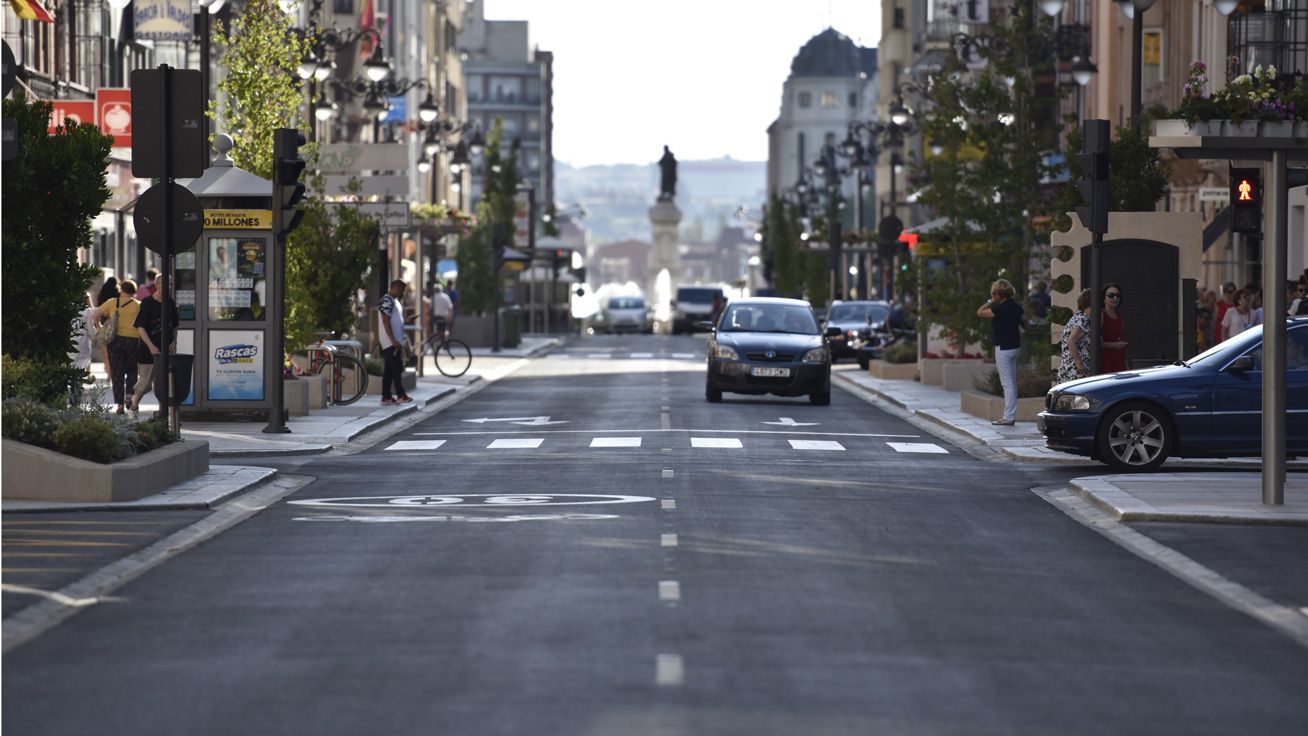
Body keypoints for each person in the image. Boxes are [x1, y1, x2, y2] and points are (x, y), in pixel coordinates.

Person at [131, 273, 180, 419]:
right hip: (148, 351)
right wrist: (151, 346)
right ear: (157, 285)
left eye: (171, 284)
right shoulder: (147, 303)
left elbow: (174, 326)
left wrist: (174, 341)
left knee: (164, 383)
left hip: (166, 349)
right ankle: (134, 406)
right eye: (166, 284)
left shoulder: (170, 303)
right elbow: (140, 327)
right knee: (145, 383)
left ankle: (162, 412)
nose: (169, 287)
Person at [977, 278, 1023, 426]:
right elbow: (1025, 322)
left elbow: (980, 312)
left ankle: (1008, 416)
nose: (992, 295)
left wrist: (990, 300)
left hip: (1003, 348)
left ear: (998, 294)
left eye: (993, 293)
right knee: (1012, 383)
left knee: (1007, 384)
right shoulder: (1017, 307)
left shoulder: (999, 308)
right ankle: (1010, 414)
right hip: (1015, 346)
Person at [98, 279, 141, 414]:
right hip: (133, 341)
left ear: (121, 290)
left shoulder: (112, 302)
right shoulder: (139, 305)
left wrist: (99, 328)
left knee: (117, 373)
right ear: (134, 291)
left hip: (115, 341)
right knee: (133, 370)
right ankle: (129, 395)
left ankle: (120, 405)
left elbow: (95, 314)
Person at [378, 279, 413, 405]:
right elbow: (386, 320)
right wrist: (392, 340)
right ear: (394, 288)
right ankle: (400, 394)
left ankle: (386, 396)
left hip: (395, 341)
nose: (402, 293)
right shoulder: (387, 300)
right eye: (401, 290)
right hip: (390, 342)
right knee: (396, 368)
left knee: (389, 369)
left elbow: (394, 319)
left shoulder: (395, 302)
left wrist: (407, 320)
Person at [1057, 289, 1092, 384]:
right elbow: (1071, 341)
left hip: (1068, 366)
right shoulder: (1082, 320)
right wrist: (1079, 363)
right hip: (1076, 370)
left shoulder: (1077, 317)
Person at [1099, 283, 1128, 373]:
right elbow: (1095, 342)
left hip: (1119, 360)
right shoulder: (1101, 315)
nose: (1115, 298)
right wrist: (1113, 345)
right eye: (1111, 295)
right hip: (1105, 361)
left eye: (1117, 295)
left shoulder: (1119, 316)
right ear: (1104, 298)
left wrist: (1127, 367)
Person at [94, 276, 119, 368]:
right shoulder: (117, 293)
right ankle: (111, 367)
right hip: (114, 321)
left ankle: (107, 367)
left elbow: (98, 307)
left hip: (103, 320)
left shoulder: (102, 293)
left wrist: (98, 326)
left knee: (105, 347)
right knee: (113, 345)